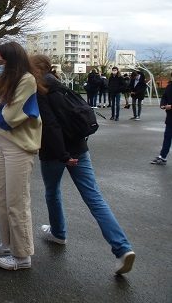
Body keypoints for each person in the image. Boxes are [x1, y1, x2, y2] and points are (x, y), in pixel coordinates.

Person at [30, 54, 136, 275]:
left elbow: (50, 126)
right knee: (94, 197)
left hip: (55, 153)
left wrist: (62, 155)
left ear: (34, 70)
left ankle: (58, 233)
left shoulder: (40, 91)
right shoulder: (61, 86)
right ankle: (122, 248)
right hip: (80, 148)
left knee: (52, 191)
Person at [0, 41, 42, 271]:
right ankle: (7, 245)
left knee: (17, 200)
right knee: (1, 196)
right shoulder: (4, 79)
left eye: (0, 62)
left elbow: (8, 118)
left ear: (11, 61)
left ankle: (22, 255)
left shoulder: (26, 80)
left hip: (19, 144)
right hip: (1, 141)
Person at [150, 72, 172, 165]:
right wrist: (163, 105)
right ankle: (162, 157)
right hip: (170, 118)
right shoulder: (169, 87)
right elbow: (164, 97)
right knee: (167, 137)